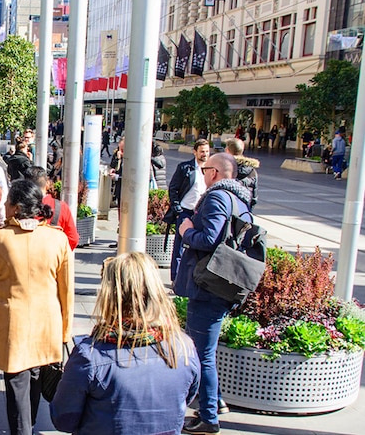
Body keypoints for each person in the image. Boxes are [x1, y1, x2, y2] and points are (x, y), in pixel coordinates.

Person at [50, 252, 199, 435]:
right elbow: (186, 396)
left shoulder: (90, 356)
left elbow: (63, 419)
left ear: (109, 295)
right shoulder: (184, 348)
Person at [0, 180, 74, 435]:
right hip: (47, 323)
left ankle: (22, 429)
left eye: (6, 202)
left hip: (12, 324)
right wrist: (65, 332)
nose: (3, 206)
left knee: (15, 379)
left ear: (16, 208)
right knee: (38, 373)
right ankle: (31, 424)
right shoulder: (57, 239)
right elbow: (67, 291)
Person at [174, 153, 252, 435]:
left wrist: (186, 230)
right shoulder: (241, 199)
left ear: (215, 172)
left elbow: (209, 239)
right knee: (204, 351)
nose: (203, 173)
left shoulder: (217, 197)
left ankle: (209, 416)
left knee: (201, 354)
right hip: (221, 285)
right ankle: (211, 405)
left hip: (209, 287)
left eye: (205, 169)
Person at [167, 138, 210, 281]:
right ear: (195, 152)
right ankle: (176, 278)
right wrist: (178, 209)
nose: (205, 154)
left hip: (201, 213)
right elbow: (173, 188)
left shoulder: (211, 169)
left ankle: (193, 278)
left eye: (207, 151)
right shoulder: (185, 168)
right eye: (202, 151)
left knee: (198, 245)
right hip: (185, 211)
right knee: (179, 245)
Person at [25, 166, 79, 250]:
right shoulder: (61, 207)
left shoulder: (19, 206)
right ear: (47, 183)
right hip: (54, 257)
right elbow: (73, 239)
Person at [225, 138, 259, 208]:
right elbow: (254, 197)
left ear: (227, 150)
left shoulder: (224, 168)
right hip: (244, 210)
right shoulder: (252, 171)